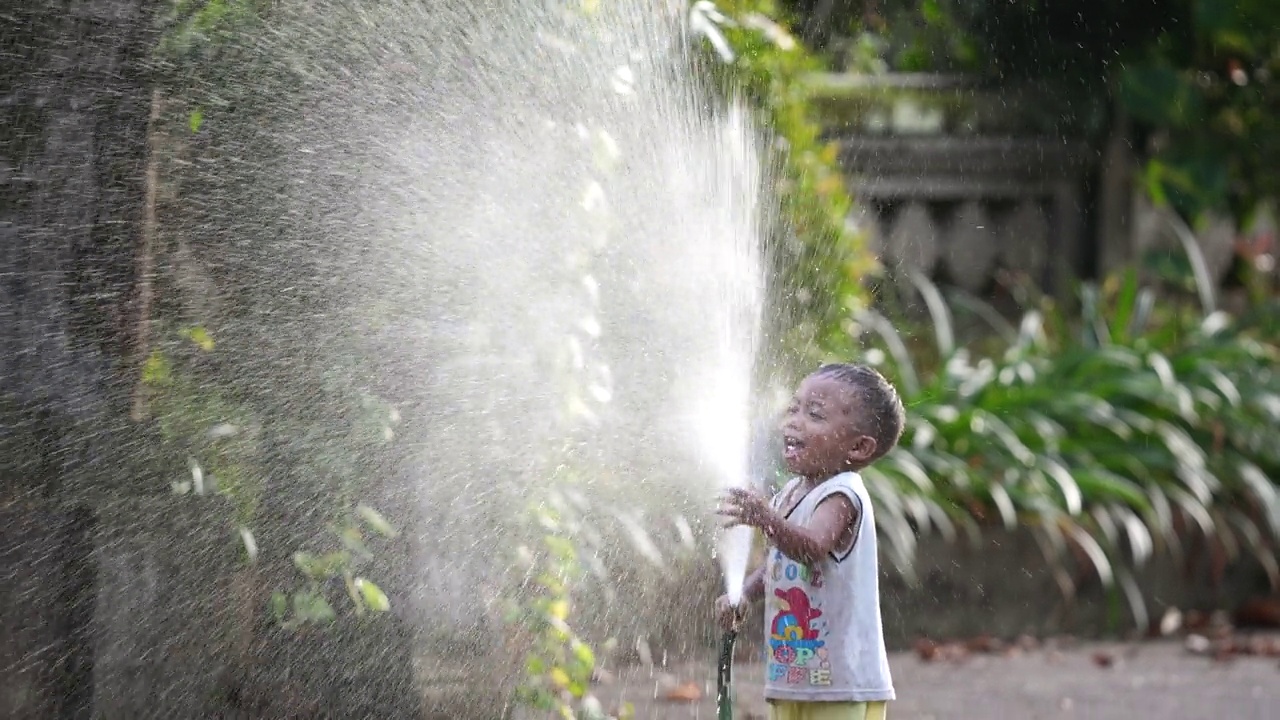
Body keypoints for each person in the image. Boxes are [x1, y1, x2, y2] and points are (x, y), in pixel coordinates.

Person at [716, 363, 904, 720]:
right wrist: (744, 594)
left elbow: (811, 547)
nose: (794, 421)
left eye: (814, 414)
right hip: (796, 673)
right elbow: (779, 564)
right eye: (794, 408)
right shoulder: (791, 493)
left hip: (841, 682)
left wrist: (765, 518)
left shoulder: (842, 493)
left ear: (859, 447)